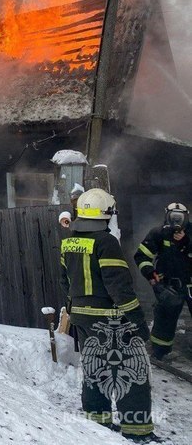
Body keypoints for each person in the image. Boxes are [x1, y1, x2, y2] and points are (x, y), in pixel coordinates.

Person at [61, 188, 155, 442]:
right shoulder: (106, 242)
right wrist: (137, 321)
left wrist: (75, 308)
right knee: (132, 373)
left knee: (94, 368)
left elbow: (64, 280)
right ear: (106, 213)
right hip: (110, 320)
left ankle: (97, 424)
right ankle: (138, 432)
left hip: (80, 316)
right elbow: (120, 288)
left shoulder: (68, 242)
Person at [134, 202, 192, 361]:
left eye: (180, 218)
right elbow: (141, 256)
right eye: (173, 217)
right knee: (165, 319)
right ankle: (161, 352)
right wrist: (150, 273)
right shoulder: (158, 233)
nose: (177, 222)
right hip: (169, 286)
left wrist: (186, 242)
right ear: (166, 216)